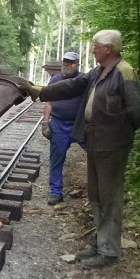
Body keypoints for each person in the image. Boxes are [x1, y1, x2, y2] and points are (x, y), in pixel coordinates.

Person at [21, 30, 140, 269]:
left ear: (108, 49)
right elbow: (72, 86)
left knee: (109, 196)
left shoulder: (124, 73)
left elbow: (136, 113)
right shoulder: (98, 72)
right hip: (95, 140)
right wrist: (38, 90)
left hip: (112, 145)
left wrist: (117, 134)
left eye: (96, 46)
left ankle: (109, 252)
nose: (93, 50)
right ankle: (101, 244)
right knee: (96, 195)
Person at [42, 52, 85, 206]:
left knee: (95, 152)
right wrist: (45, 123)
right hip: (59, 123)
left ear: (77, 64)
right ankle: (56, 192)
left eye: (71, 62)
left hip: (79, 124)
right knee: (56, 159)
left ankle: (98, 189)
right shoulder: (55, 80)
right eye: (65, 61)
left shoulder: (83, 80)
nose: (67, 64)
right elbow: (48, 102)